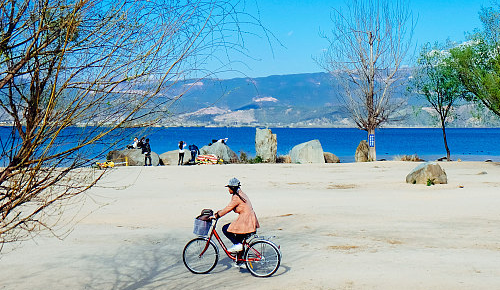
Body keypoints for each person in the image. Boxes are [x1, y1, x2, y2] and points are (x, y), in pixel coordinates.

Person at [214, 178, 259, 258]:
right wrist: (219, 212)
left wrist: (217, 215)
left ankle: (237, 246)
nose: (228, 189)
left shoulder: (236, 197)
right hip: (249, 219)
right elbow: (230, 208)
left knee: (225, 229)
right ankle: (240, 261)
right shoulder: (240, 194)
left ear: (232, 188)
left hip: (246, 220)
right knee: (239, 240)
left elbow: (229, 208)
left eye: (229, 188)